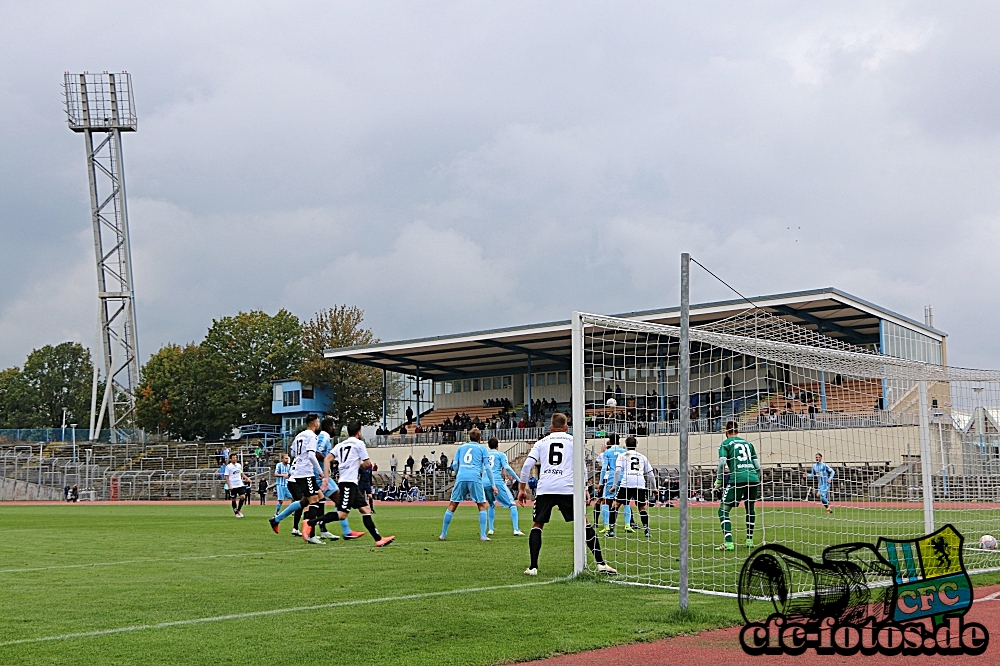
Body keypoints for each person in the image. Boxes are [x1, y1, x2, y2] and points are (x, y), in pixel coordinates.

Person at [516, 413, 616, 576]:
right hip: (568, 487)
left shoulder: (541, 443)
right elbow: (582, 467)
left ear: (550, 427)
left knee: (537, 525)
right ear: (566, 427)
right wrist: (584, 488)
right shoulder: (573, 442)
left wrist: (521, 489)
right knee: (584, 523)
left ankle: (533, 567)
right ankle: (601, 564)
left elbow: (527, 465)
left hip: (546, 487)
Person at [320, 421, 395, 547]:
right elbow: (367, 463)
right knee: (342, 514)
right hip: (348, 482)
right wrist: (358, 466)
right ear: (359, 432)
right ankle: (311, 522)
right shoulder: (359, 443)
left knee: (366, 509)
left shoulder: (341, 444)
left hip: (349, 482)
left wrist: (326, 477)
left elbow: (327, 459)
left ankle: (378, 539)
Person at [268, 414, 323, 543]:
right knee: (314, 500)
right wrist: (320, 472)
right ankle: (310, 534)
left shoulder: (299, 435)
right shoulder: (312, 436)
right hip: (305, 472)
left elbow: (293, 452)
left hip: (297, 472)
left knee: (307, 501)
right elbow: (310, 455)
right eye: (318, 421)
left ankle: (276, 520)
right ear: (315, 423)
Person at [440, 429, 496, 541]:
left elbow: (455, 464)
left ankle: (443, 534)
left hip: (461, 476)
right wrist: (493, 484)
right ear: (480, 439)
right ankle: (483, 535)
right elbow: (488, 468)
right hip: (475, 476)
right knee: (481, 505)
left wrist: (458, 474)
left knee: (453, 504)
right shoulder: (482, 449)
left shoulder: (461, 447)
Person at [714, 421, 761, 551]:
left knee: (723, 510)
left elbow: (722, 463)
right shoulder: (749, 444)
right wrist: (757, 479)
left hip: (737, 478)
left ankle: (729, 543)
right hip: (753, 478)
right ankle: (749, 540)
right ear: (738, 431)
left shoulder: (725, 444)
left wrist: (719, 480)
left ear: (726, 432)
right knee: (750, 508)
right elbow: (758, 466)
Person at [609, 437, 655, 539]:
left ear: (626, 444)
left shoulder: (622, 456)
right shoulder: (642, 457)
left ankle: (611, 530)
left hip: (627, 483)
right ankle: (646, 530)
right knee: (641, 508)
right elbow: (651, 474)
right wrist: (655, 488)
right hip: (640, 483)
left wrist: (614, 486)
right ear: (636, 444)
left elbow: (617, 471)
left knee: (615, 505)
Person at [484, 437, 525, 536]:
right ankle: (516, 529)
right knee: (512, 504)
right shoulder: (500, 455)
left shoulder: (485, 455)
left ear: (488, 446)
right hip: (496, 481)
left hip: (484, 482)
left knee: (491, 504)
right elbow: (506, 467)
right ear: (497, 445)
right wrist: (518, 479)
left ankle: (491, 529)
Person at [597, 435, 635, 534]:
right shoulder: (624, 451)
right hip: (623, 478)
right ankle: (627, 525)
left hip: (612, 477)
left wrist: (601, 483)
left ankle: (607, 526)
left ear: (609, 441)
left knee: (606, 501)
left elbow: (604, 468)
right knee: (625, 501)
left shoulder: (607, 452)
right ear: (619, 441)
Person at [224, 452, 251, 518]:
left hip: (239, 484)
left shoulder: (239, 465)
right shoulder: (228, 467)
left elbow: (241, 474)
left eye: (236, 457)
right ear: (230, 459)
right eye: (233, 458)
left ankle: (238, 510)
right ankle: (235, 512)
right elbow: (226, 477)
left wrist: (247, 478)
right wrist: (229, 485)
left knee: (243, 497)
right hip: (233, 485)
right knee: (234, 499)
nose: (235, 459)